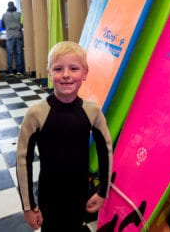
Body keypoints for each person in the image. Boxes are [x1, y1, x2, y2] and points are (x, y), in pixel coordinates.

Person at [16, 41, 113, 232]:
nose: (66, 74)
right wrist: (28, 207)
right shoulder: (36, 113)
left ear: (85, 73)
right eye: (58, 68)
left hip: (79, 196)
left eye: (74, 68)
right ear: (50, 73)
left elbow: (106, 150)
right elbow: (22, 160)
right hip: (48, 199)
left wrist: (103, 191)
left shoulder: (92, 111)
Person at [1, 1, 24, 76]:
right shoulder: (19, 14)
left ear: (8, 6)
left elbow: (3, 26)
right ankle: (19, 71)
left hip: (10, 36)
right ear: (14, 6)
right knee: (19, 53)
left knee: (10, 53)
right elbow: (22, 24)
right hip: (18, 35)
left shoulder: (4, 15)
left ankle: (10, 71)